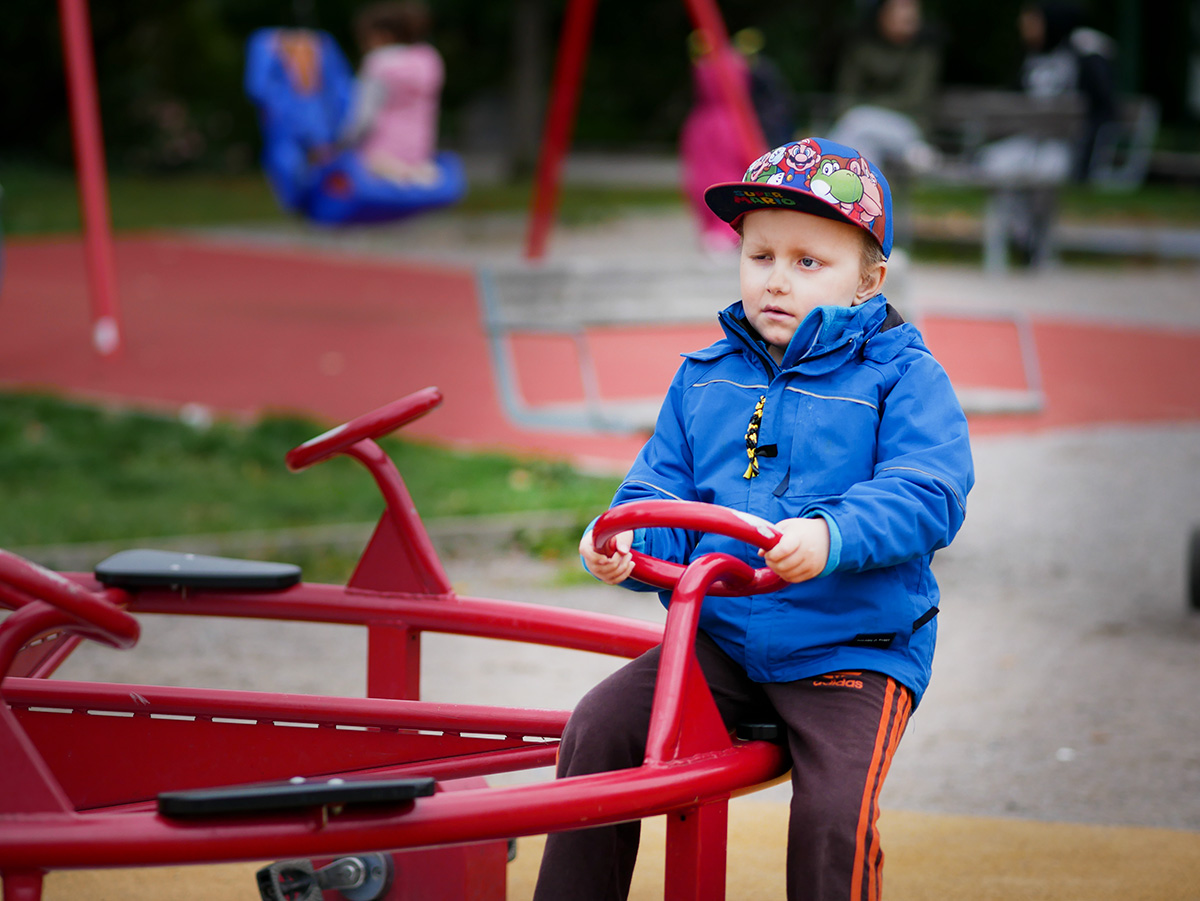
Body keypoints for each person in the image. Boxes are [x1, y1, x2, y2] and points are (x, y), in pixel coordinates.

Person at [532, 136, 974, 901]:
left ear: (869, 278)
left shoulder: (903, 376)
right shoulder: (706, 377)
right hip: (724, 644)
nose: (777, 280)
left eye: (809, 263)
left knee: (833, 812)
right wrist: (629, 541)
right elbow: (661, 486)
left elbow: (927, 489)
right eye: (761, 256)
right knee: (597, 726)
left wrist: (832, 535)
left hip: (851, 651)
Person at [828, 0, 943, 174]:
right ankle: (866, 196)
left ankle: (824, 165)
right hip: (863, 128)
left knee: (857, 122)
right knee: (864, 148)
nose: (909, 16)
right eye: (901, 9)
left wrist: (864, 107)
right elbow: (846, 94)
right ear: (882, 15)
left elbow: (912, 100)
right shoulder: (862, 47)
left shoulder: (923, 52)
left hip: (907, 127)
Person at [340, 1, 445, 185]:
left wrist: (343, 142)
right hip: (420, 155)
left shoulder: (379, 62)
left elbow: (364, 117)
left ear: (381, 35)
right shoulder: (429, 59)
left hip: (379, 156)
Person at [679, 30, 755, 254]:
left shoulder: (701, 122)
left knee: (710, 181)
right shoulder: (733, 120)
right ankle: (723, 231)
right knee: (722, 180)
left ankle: (718, 231)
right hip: (724, 126)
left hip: (708, 127)